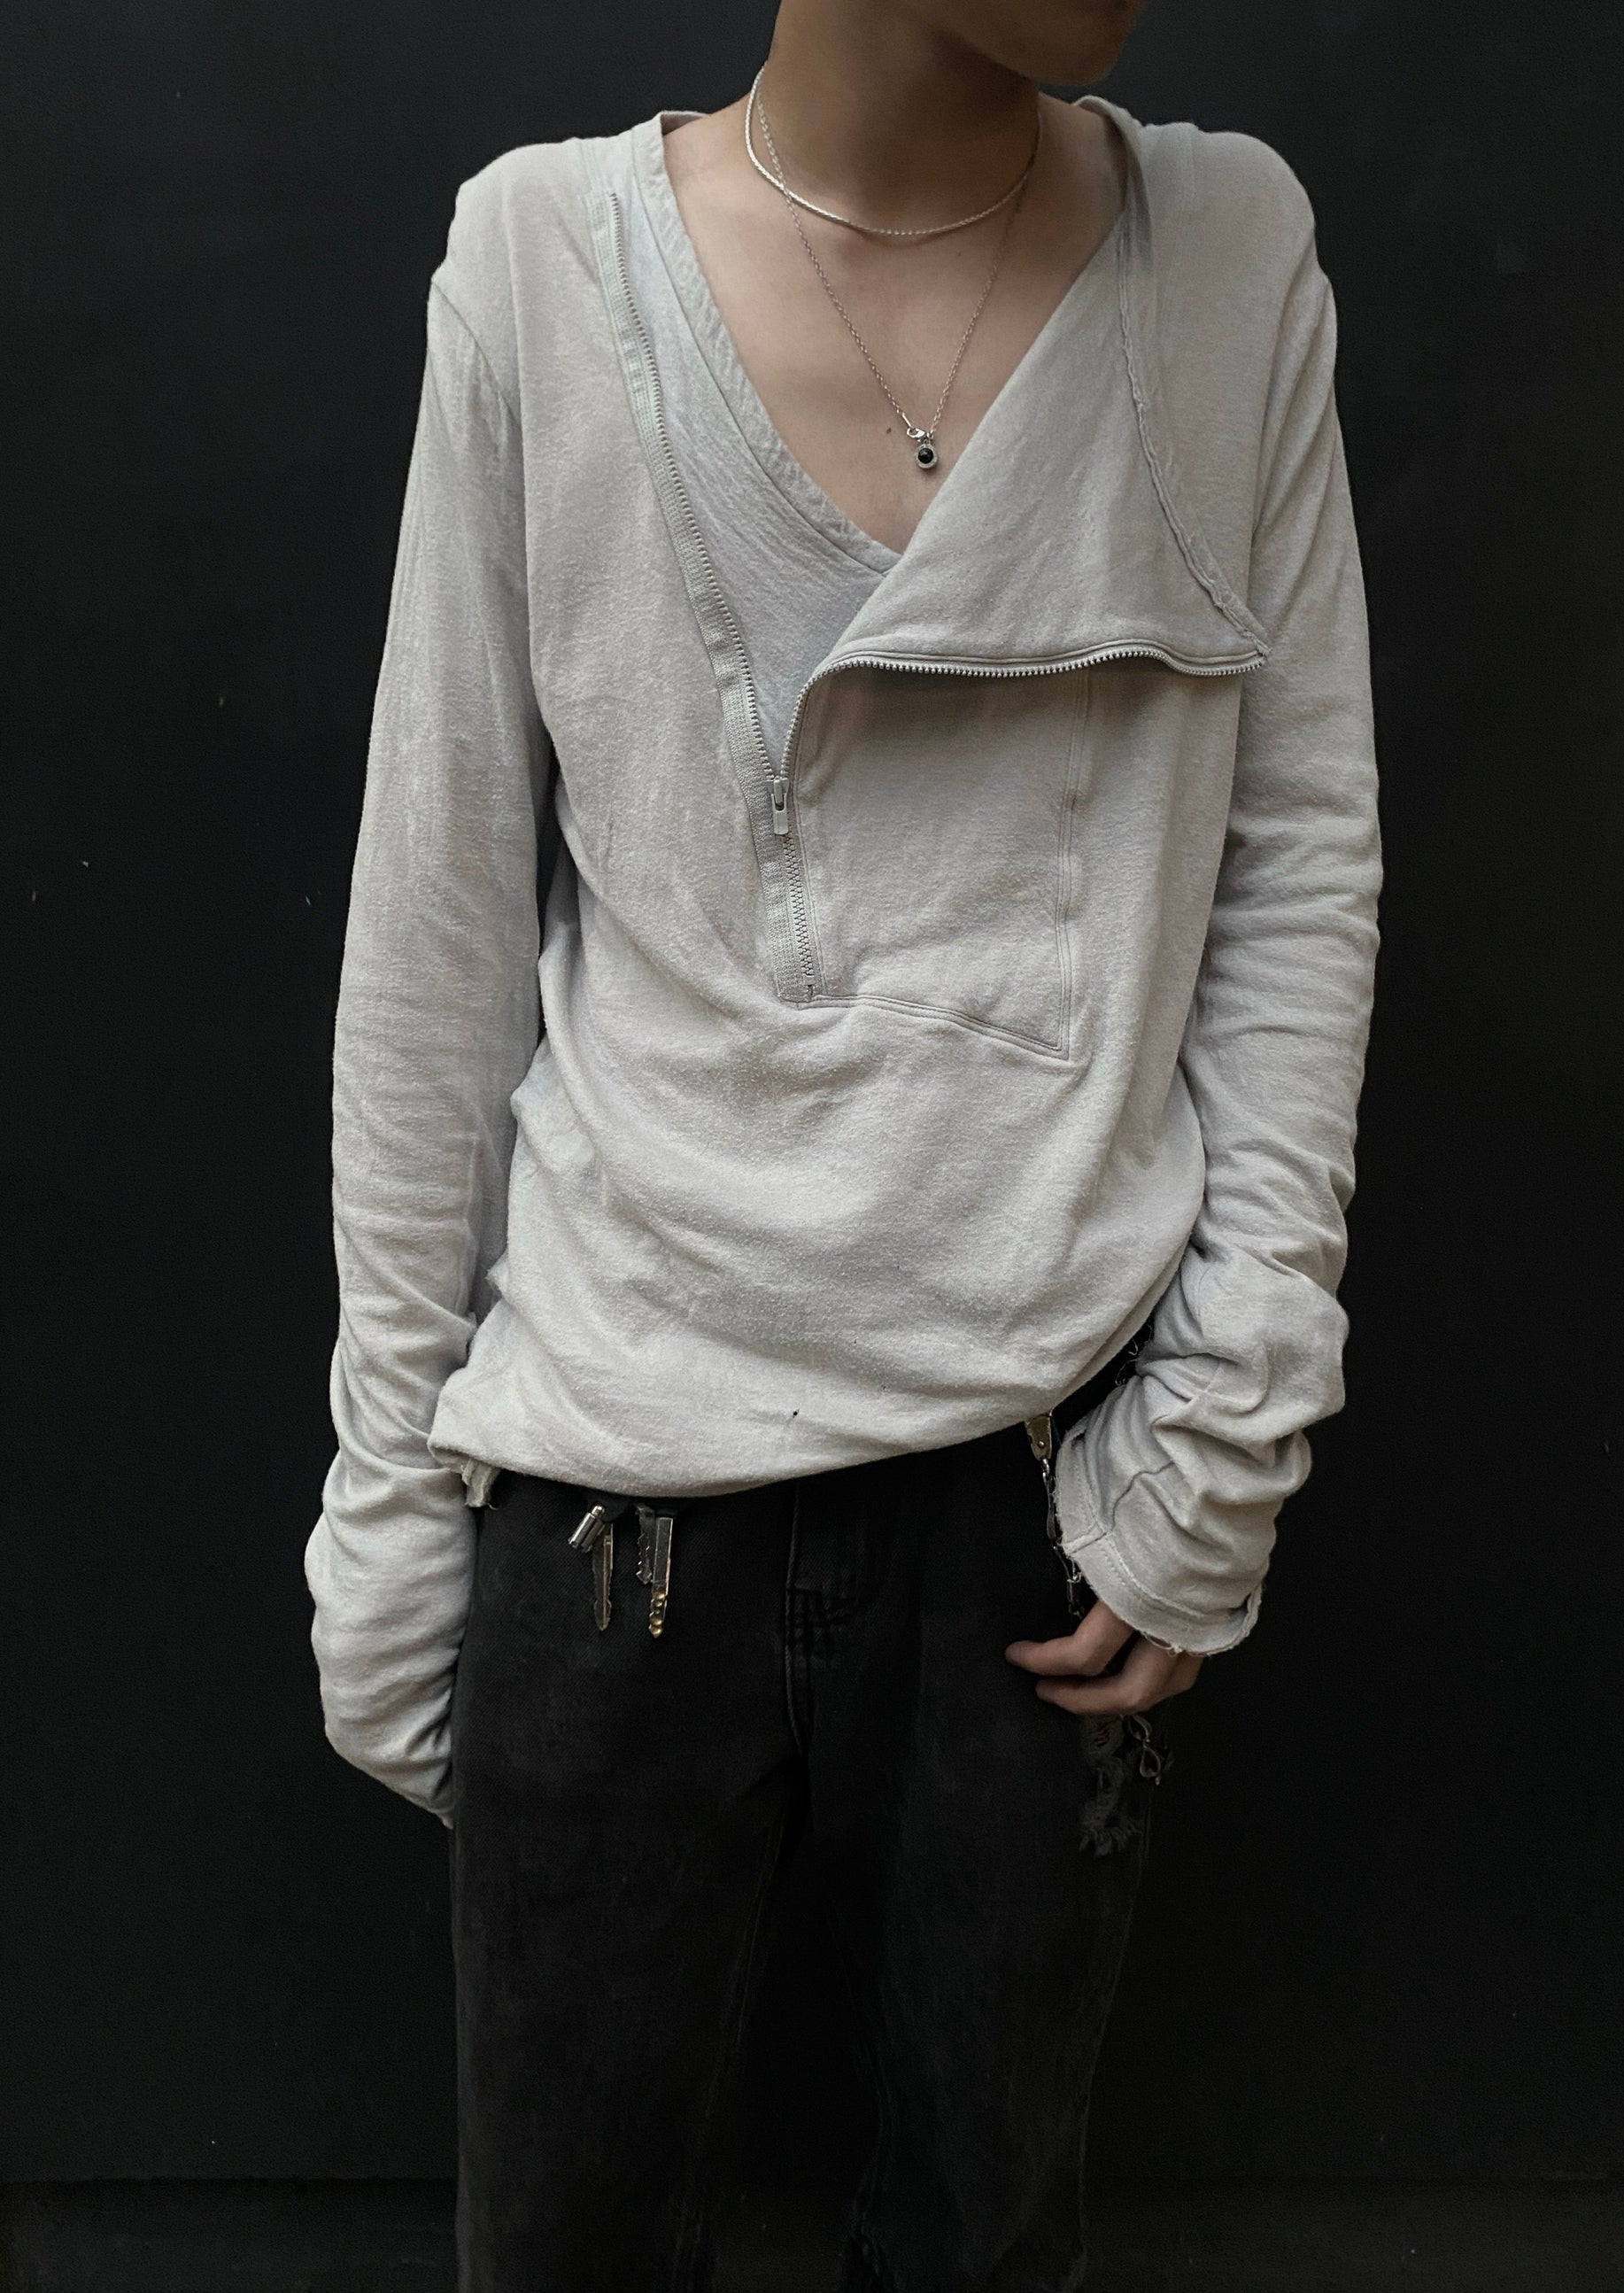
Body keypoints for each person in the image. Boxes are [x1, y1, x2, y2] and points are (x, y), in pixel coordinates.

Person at [304, 0, 1382, 2281]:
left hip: (1038, 1505)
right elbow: (436, 928)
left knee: (984, 2246)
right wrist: (393, 1499)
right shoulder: (541, 262)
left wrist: (1232, 1410)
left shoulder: (1228, 255)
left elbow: (1296, 859)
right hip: (609, 1508)